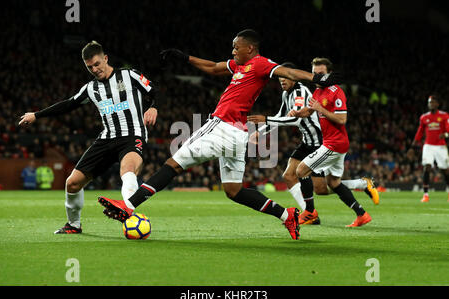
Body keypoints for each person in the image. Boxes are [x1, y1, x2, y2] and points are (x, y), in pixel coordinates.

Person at [98, 29, 341, 240]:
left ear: (250, 48)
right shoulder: (239, 65)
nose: (233, 51)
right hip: (238, 135)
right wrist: (184, 57)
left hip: (222, 126)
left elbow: (290, 73)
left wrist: (317, 79)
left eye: (236, 47)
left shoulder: (260, 64)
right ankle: (287, 215)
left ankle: (128, 205)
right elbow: (213, 67)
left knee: (173, 164)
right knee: (234, 190)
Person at [19, 41, 159, 234]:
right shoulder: (90, 89)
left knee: (128, 170)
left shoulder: (129, 75)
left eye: (97, 64)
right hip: (106, 139)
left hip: (132, 135)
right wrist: (37, 115)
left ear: (105, 58)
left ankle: (128, 209)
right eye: (89, 67)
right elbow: (68, 104)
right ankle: (73, 225)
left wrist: (152, 106)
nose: (94, 69)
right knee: (72, 183)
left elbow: (154, 91)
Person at [248, 62, 379, 225]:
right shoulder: (288, 94)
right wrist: (259, 132)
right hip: (307, 141)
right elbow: (284, 115)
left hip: (319, 141)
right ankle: (310, 213)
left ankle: (358, 186)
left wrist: (266, 119)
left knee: (321, 188)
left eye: (285, 76)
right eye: (279, 77)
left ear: (293, 78)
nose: (282, 80)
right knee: (289, 175)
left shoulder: (301, 91)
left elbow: (294, 120)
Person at [288, 57, 371, 227]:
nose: (317, 77)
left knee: (301, 170)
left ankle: (309, 212)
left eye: (321, 74)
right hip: (334, 143)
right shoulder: (318, 91)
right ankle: (362, 214)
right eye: (314, 74)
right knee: (333, 183)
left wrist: (321, 109)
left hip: (334, 144)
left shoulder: (336, 91)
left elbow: (342, 119)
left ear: (329, 74)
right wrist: (297, 113)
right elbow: (309, 111)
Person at [408, 95, 449, 202]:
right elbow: (419, 132)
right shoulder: (424, 117)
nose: (431, 104)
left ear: (438, 104)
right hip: (428, 146)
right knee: (427, 167)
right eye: (430, 102)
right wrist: (412, 147)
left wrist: (445, 135)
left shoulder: (444, 116)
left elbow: (448, 130)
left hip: (441, 146)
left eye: (433, 102)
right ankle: (426, 195)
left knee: (445, 170)